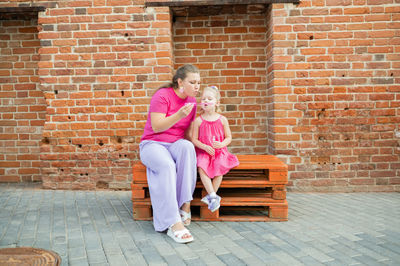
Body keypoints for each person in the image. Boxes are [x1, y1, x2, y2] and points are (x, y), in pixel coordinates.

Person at [139, 64, 200, 244]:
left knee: (188, 148)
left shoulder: (192, 101)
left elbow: (187, 133)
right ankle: (173, 222)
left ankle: (184, 204)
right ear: (180, 82)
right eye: (192, 82)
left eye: (199, 83)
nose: (197, 86)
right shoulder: (163, 95)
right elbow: (157, 126)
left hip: (174, 144)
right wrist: (179, 114)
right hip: (152, 144)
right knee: (167, 166)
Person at [191, 86, 239, 212]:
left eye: (209, 98)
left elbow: (229, 137)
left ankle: (212, 196)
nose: (206, 101)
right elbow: (194, 139)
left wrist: (222, 144)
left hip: (219, 152)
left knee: (220, 166)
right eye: (203, 99)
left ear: (217, 103)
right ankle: (213, 196)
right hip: (204, 151)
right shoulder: (198, 121)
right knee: (201, 167)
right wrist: (205, 147)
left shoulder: (223, 120)